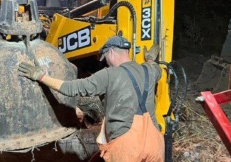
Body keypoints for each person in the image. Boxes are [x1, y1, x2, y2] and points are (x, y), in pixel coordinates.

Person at [18, 35, 165, 162]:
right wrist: (151, 59)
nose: (106, 61)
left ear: (111, 52)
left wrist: (41, 77)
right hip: (154, 144)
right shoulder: (149, 70)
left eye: (106, 57)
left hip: (127, 147)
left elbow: (72, 88)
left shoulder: (109, 74)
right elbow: (156, 68)